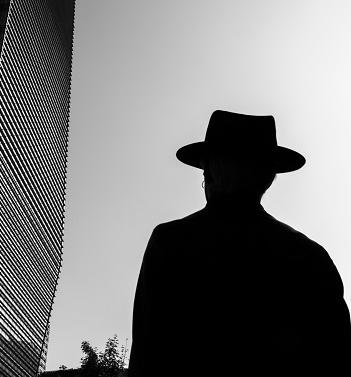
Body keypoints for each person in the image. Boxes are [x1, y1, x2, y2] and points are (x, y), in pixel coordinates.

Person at [128, 110, 351, 375]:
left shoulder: (170, 243)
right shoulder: (310, 257)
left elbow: (147, 356)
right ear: (268, 177)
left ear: (208, 173)